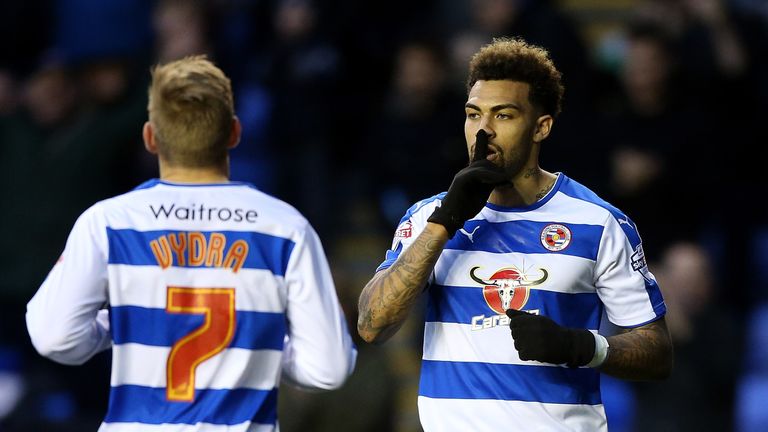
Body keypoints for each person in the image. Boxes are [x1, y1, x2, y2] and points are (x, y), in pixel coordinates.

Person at [26, 55, 356, 431]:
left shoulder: (109, 222)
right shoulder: (285, 228)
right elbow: (328, 368)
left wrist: (118, 326)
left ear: (150, 136)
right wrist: (255, 346)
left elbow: (53, 336)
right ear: (234, 133)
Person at [357, 37, 672, 431]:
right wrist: (447, 220)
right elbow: (372, 325)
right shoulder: (428, 218)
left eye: (503, 116)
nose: (483, 131)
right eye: (474, 115)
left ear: (541, 127)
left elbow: (658, 353)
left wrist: (581, 347)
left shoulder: (598, 222)